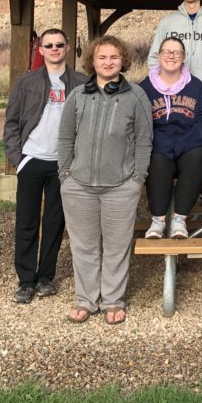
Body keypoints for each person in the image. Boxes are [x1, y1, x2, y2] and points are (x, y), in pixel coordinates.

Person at [56, 35, 152, 325]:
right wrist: (65, 175)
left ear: (123, 60)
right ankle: (86, 300)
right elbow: (65, 137)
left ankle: (112, 300)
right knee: (83, 245)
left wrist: (136, 179)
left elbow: (144, 142)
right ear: (92, 61)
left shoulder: (136, 96)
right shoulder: (78, 95)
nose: (108, 62)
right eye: (102, 57)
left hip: (121, 186)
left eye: (113, 57)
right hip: (79, 185)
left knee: (116, 245)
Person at [3, 28, 87, 304]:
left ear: (67, 47)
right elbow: (12, 123)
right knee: (27, 221)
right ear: (40, 49)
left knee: (54, 221)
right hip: (32, 160)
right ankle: (26, 280)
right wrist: (19, 159)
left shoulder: (80, 82)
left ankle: (45, 277)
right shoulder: (26, 82)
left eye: (59, 45)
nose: (54, 49)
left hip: (63, 163)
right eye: (48, 45)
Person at [140, 36, 202, 239]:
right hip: (159, 144)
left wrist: (183, 143)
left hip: (189, 143)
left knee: (198, 156)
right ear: (159, 55)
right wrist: (163, 143)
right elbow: (142, 124)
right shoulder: (144, 88)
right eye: (167, 52)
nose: (171, 56)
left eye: (176, 52)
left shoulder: (196, 87)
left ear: (183, 57)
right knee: (157, 161)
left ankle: (180, 220)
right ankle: (158, 221)